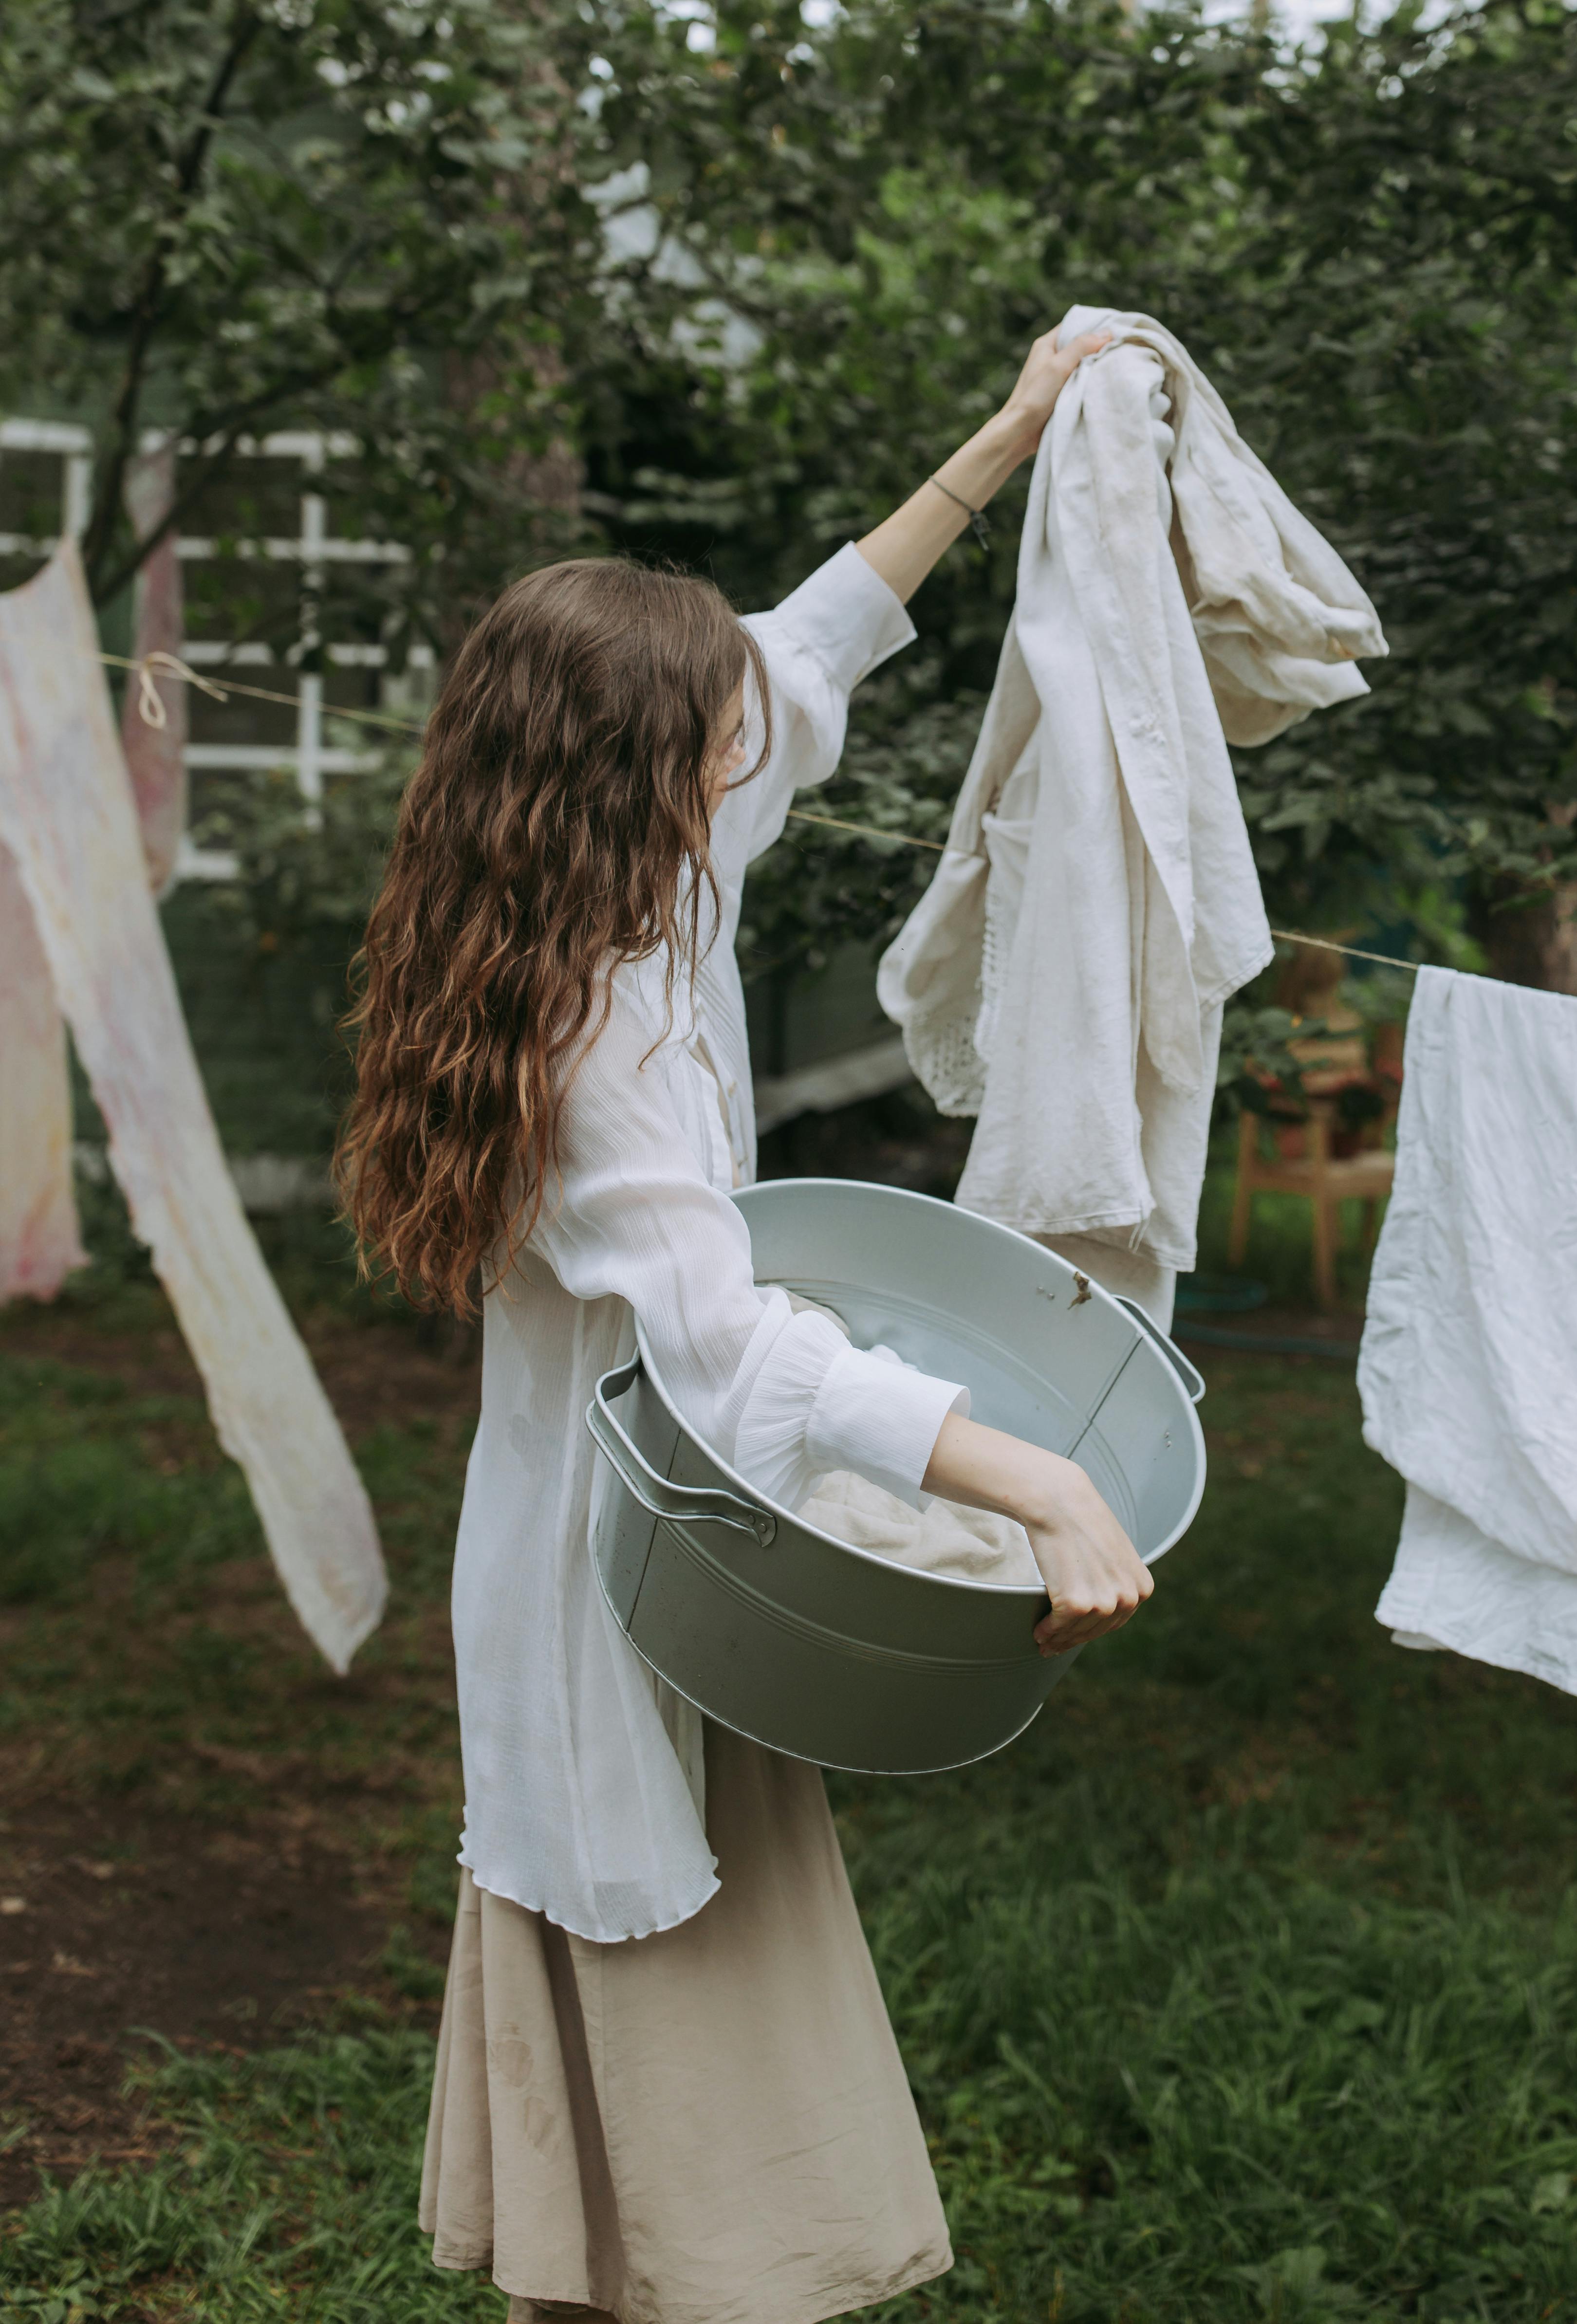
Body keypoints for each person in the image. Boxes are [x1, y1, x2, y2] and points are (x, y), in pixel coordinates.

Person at [337, 331, 1149, 2324]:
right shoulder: (593, 1030)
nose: (751, 745)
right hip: (621, 1592)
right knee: (689, 2141)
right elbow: (738, 1359)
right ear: (638, 773)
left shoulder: (634, 898)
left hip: (657, 1564)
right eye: (714, 734)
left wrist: (1016, 426)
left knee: (665, 2121)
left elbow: (813, 642)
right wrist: (1032, 1471)